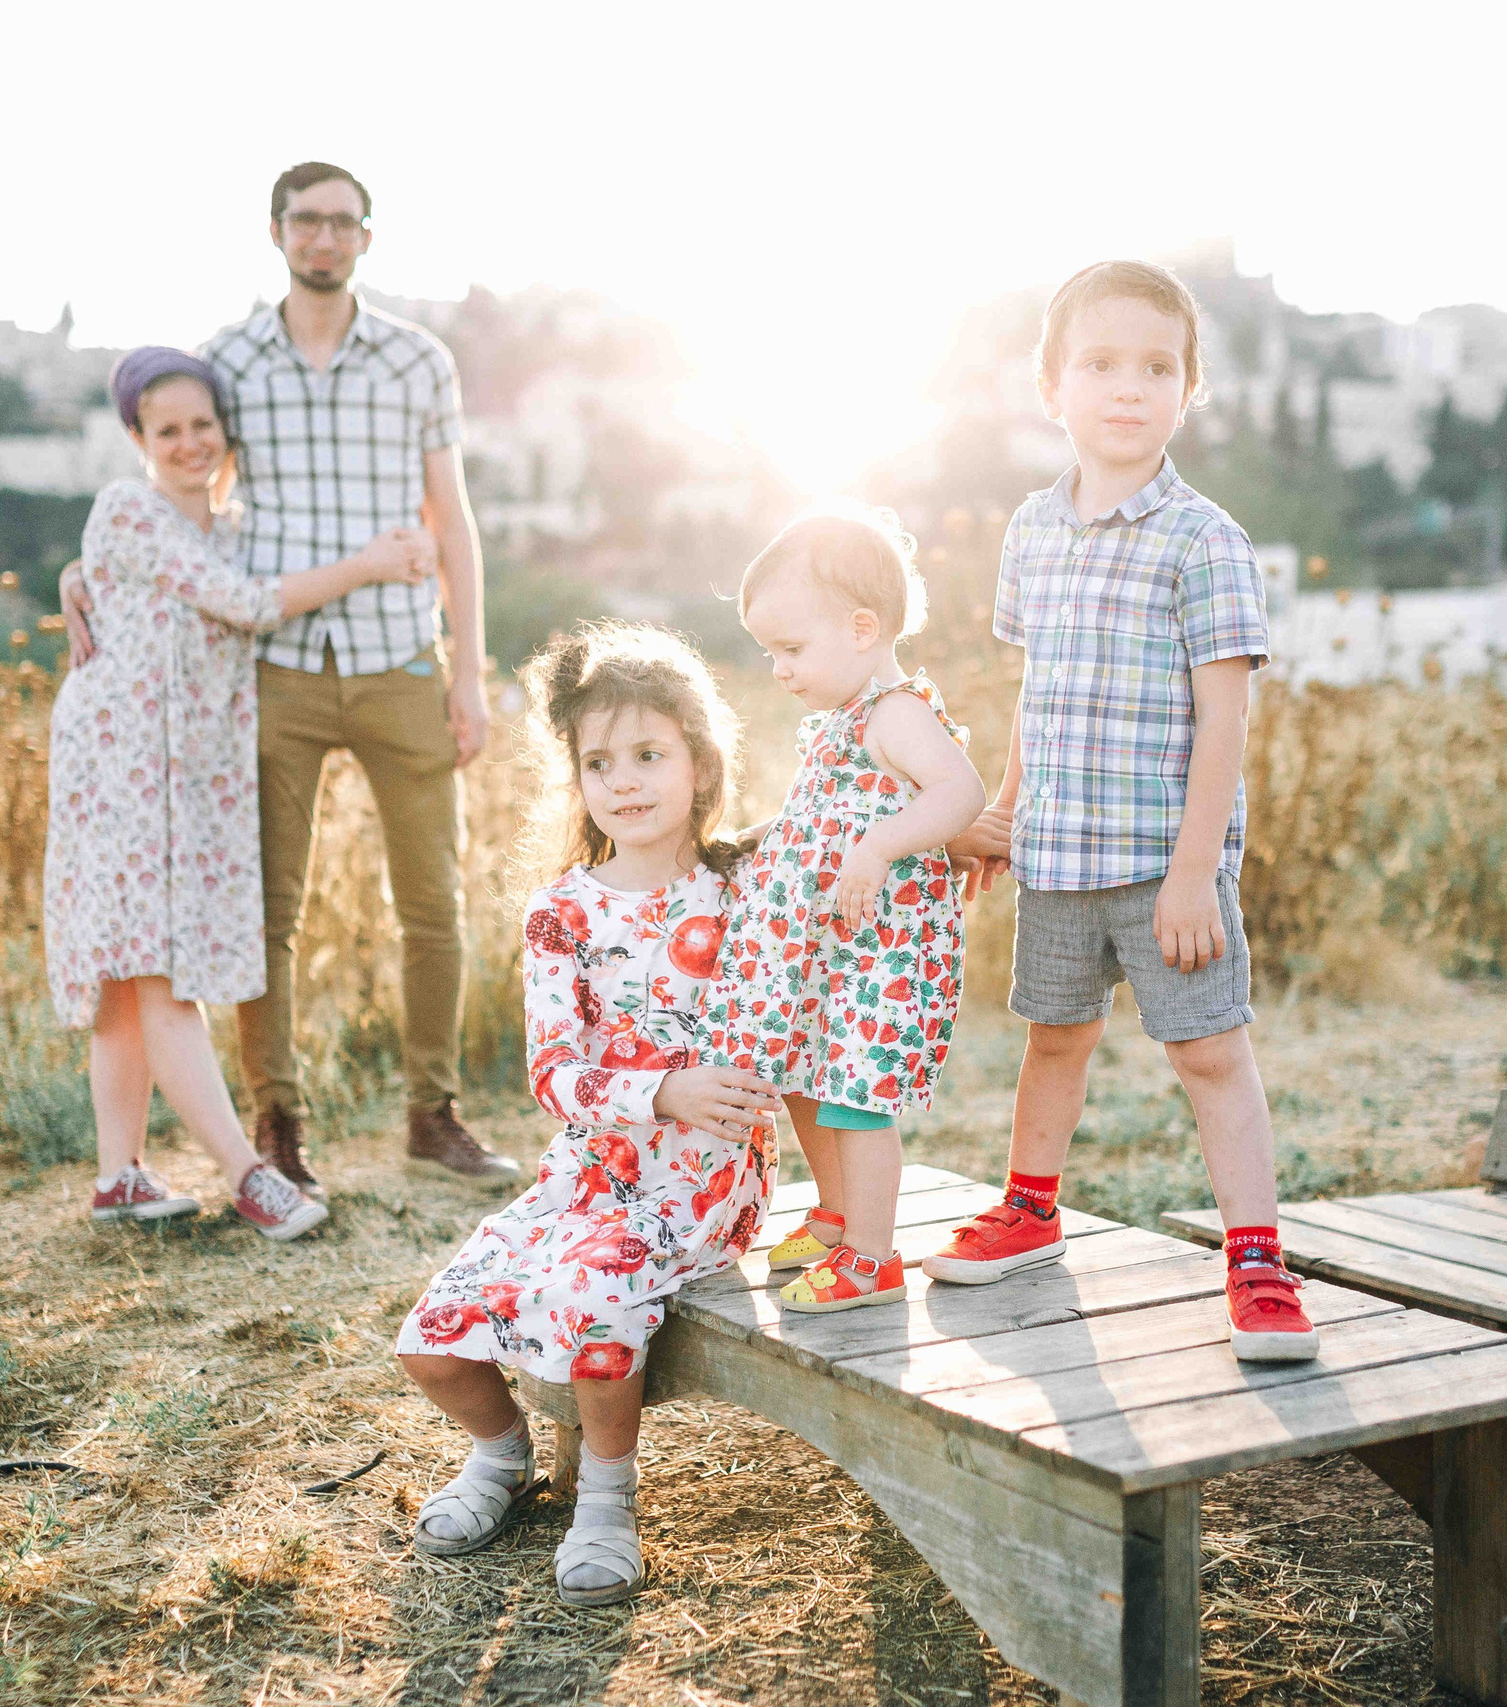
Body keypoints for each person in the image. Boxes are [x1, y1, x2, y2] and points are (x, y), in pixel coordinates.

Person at [65, 160, 517, 1193]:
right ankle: (277, 1125)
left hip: (401, 653)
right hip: (269, 670)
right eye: (306, 221)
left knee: (433, 903)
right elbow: (181, 489)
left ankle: (432, 1115)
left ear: (367, 236)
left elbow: (454, 519)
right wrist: (84, 566)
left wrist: (470, 672)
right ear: (275, 231)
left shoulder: (416, 360)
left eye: (343, 223)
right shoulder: (227, 361)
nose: (324, 238)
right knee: (266, 910)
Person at [929, 262, 1320, 1362]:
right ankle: (1029, 1211)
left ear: (1187, 391)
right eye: (1098, 364)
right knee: (1054, 1039)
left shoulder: (1204, 540)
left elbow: (1224, 728)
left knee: (1208, 1054)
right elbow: (1035, 692)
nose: (1126, 387)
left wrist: (1197, 872)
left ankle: (1256, 1262)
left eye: (1156, 368)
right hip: (1056, 854)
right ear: (1051, 384)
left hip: (1163, 864)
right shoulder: (1031, 530)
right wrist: (1003, 812)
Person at [394, 624, 779, 1606]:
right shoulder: (561, 912)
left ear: (701, 761)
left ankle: (605, 1498)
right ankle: (502, 1456)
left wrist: (955, 826)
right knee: (432, 1338)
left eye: (649, 754)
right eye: (598, 762)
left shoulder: (742, 888)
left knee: (595, 1307)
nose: (625, 780)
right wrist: (654, 1090)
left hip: (701, 1178)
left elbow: (854, 854)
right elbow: (554, 1073)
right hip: (589, 1173)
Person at [45, 349, 427, 1239]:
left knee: (133, 979)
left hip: (189, 773)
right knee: (151, 972)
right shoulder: (126, 509)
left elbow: (221, 576)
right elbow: (249, 605)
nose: (189, 444)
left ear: (226, 432)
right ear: (137, 437)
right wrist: (370, 563)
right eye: (167, 430)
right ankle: (248, 1174)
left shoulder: (226, 525)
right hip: (122, 767)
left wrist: (77, 575)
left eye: (203, 427)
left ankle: (119, 1177)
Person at [705, 511, 987, 1313]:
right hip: (827, 954)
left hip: (880, 957)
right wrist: (762, 840)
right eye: (770, 653)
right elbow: (823, 816)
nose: (779, 669)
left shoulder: (896, 712)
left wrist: (879, 849)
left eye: (791, 649)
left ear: (863, 628)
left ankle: (872, 1255)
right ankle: (834, 1213)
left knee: (854, 1096)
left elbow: (958, 791)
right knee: (802, 1075)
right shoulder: (836, 721)